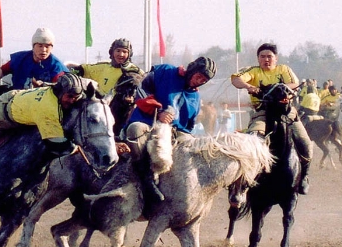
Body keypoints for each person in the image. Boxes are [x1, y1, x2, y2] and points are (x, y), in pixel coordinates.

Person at [124, 57, 216, 202]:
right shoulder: (165, 71)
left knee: (193, 148)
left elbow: (189, 126)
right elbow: (141, 89)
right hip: (148, 122)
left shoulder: (196, 97)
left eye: (204, 80)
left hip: (177, 132)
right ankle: (145, 177)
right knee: (135, 130)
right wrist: (158, 111)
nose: (200, 81)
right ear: (192, 70)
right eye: (199, 77)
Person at [0, 73, 83, 170]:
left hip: (16, 106)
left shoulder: (55, 89)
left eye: (76, 97)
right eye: (69, 96)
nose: (72, 100)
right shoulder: (49, 109)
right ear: (60, 92)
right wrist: (74, 148)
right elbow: (55, 143)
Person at [231, 42, 312, 194]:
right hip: (262, 112)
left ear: (276, 58)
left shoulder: (284, 69)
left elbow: (294, 83)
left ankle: (304, 176)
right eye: (262, 57)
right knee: (252, 138)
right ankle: (244, 179)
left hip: (287, 112)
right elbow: (235, 79)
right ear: (258, 59)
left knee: (306, 142)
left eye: (269, 56)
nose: (266, 60)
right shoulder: (253, 71)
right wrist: (248, 86)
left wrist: (274, 88)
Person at [0, 28, 68, 89]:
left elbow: (60, 87)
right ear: (33, 46)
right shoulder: (20, 59)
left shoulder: (56, 66)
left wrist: (44, 85)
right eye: (40, 46)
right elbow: (2, 70)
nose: (44, 50)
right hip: (16, 100)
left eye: (47, 46)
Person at [69, 38, 144, 95]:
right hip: (102, 109)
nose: (121, 54)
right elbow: (83, 69)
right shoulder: (103, 67)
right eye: (118, 51)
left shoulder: (136, 71)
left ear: (129, 54)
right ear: (112, 52)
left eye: (124, 52)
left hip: (124, 112)